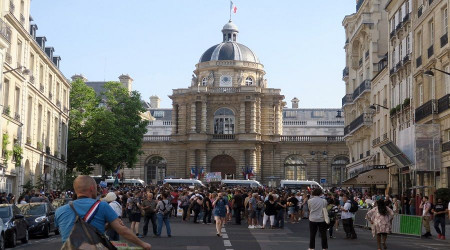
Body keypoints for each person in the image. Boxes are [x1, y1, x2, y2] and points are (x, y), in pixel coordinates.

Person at [55, 176, 151, 250]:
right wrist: (143, 244)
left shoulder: (59, 211)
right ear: (92, 188)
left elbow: (75, 230)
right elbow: (123, 231)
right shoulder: (102, 206)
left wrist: (108, 226)